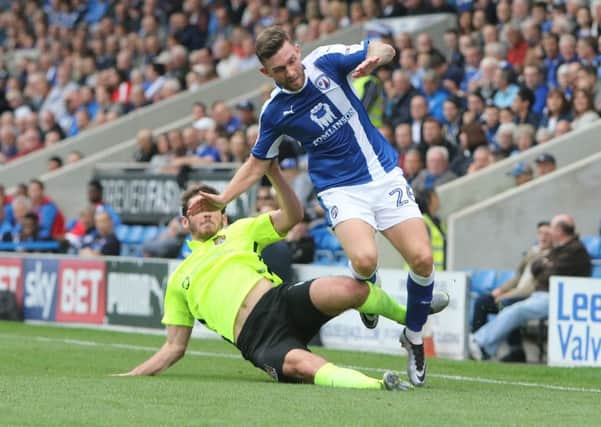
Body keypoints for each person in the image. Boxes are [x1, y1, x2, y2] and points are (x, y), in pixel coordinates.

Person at [190, 27, 438, 386]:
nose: (291, 72)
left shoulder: (326, 61)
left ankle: (413, 337)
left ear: (298, 50)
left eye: (292, 61)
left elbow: (383, 47)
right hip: (340, 188)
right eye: (279, 69)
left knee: (423, 259)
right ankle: (368, 285)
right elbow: (258, 162)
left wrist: (379, 57)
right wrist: (224, 197)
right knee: (365, 259)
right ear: (266, 73)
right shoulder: (275, 111)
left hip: (382, 173)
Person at [115, 165, 448, 389]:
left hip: (281, 300)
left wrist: (272, 172)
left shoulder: (242, 230)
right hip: (256, 338)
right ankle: (381, 385)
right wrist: (132, 375)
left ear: (223, 213)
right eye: (196, 211)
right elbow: (174, 347)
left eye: (211, 207)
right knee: (304, 366)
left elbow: (294, 215)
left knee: (350, 288)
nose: (205, 214)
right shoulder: (179, 279)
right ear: (185, 223)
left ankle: (411, 318)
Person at [468, 214, 592, 361]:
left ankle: (480, 342)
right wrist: (544, 265)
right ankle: (483, 346)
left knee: (515, 310)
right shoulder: (559, 249)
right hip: (543, 294)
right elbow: (535, 268)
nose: (549, 233)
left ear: (559, 230)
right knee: (497, 305)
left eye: (551, 228)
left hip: (558, 298)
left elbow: (548, 275)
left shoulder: (576, 250)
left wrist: (545, 266)